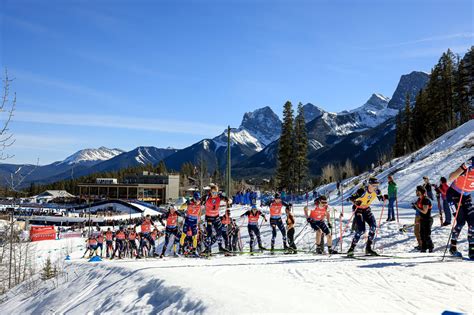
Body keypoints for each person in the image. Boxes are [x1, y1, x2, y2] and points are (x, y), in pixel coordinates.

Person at [346, 177, 385, 257]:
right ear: (369, 185)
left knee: (373, 227)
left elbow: (381, 198)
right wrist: (356, 202)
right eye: (374, 185)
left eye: (377, 185)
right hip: (358, 210)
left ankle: (368, 248)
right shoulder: (362, 191)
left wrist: (384, 198)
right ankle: (351, 249)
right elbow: (350, 198)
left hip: (366, 209)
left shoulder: (377, 191)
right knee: (361, 230)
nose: (376, 187)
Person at [447, 157, 474, 259]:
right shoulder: (469, 166)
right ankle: (452, 247)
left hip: (466, 196)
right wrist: (463, 167)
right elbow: (450, 178)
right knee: (461, 221)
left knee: (473, 221)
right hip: (453, 195)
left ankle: (472, 250)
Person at [203, 185, 226, 254]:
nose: (214, 194)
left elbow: (227, 199)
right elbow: (199, 201)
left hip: (216, 217)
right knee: (209, 233)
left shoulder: (219, 196)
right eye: (213, 193)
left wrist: (229, 200)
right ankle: (208, 249)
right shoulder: (207, 197)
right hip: (209, 217)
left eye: (216, 193)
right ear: (210, 192)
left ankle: (220, 247)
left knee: (219, 232)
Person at [179, 191, 203, 256]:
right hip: (188, 221)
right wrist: (186, 203)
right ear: (194, 198)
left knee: (195, 237)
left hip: (194, 222)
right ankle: (181, 249)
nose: (197, 201)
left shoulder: (200, 204)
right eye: (196, 199)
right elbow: (181, 207)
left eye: (198, 199)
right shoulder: (190, 202)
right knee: (183, 235)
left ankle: (194, 250)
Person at [412, 186, 434, 252]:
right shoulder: (419, 199)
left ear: (421, 192)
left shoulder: (426, 200)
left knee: (427, 235)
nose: (416, 192)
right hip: (422, 219)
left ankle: (431, 247)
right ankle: (423, 248)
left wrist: (417, 207)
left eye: (417, 191)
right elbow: (417, 206)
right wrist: (414, 206)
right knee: (421, 234)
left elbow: (425, 211)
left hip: (427, 219)